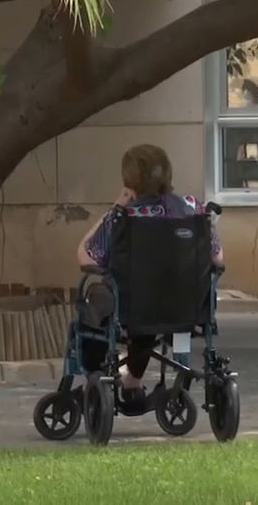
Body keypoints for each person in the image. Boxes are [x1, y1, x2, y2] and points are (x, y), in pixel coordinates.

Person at [76, 144, 224, 410]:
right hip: (188, 306)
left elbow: (86, 257)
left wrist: (115, 207)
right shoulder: (194, 209)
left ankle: (95, 376)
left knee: (95, 299)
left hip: (135, 306)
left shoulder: (125, 217)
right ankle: (133, 382)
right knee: (147, 304)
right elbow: (217, 259)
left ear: (129, 180)